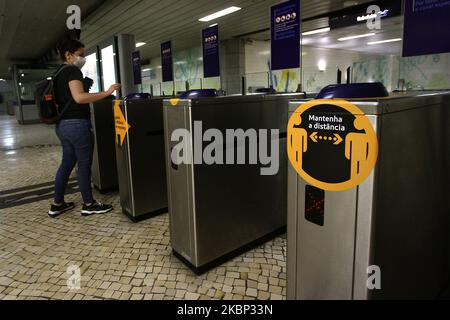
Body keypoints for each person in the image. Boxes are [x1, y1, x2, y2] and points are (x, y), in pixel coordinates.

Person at [48, 39, 121, 218]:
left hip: (62, 125)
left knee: (66, 164)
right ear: (68, 55)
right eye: (80, 54)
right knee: (83, 165)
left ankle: (57, 204)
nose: (83, 58)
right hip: (77, 125)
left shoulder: (58, 73)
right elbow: (80, 98)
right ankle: (89, 204)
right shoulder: (72, 71)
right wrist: (107, 92)